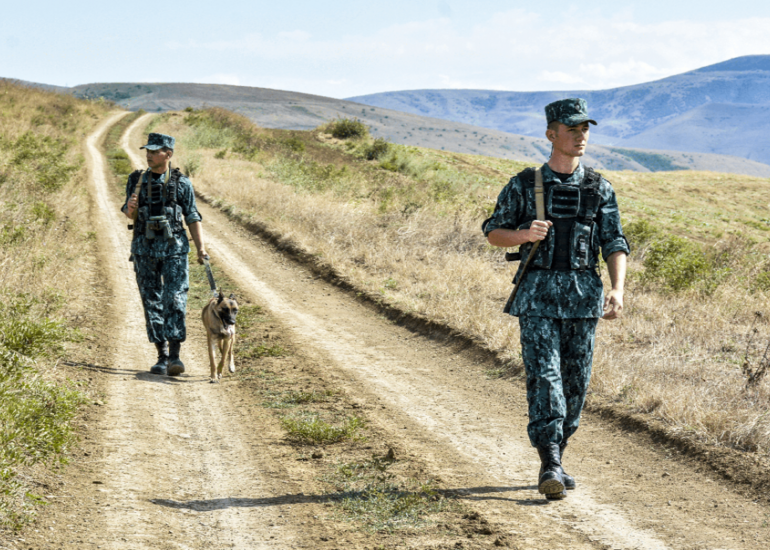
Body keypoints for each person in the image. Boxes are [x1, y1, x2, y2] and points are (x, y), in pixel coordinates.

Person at [483, 98, 629, 500]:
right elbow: (494, 231)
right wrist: (524, 235)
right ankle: (549, 460)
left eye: (585, 129)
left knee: (576, 383)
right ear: (552, 134)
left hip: (583, 297)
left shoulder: (599, 187)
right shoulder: (525, 183)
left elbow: (614, 242)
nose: (581, 136)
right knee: (546, 377)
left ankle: (558, 458)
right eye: (573, 129)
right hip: (537, 295)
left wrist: (617, 289)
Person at [122, 132, 208, 376]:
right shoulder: (136, 179)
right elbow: (128, 213)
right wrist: (130, 209)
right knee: (151, 300)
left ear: (167, 154)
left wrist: (201, 248)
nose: (148, 155)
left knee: (175, 299)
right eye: (147, 151)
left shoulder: (182, 183)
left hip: (175, 250)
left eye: (154, 151)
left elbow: (192, 216)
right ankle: (161, 356)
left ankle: (175, 356)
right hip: (144, 249)